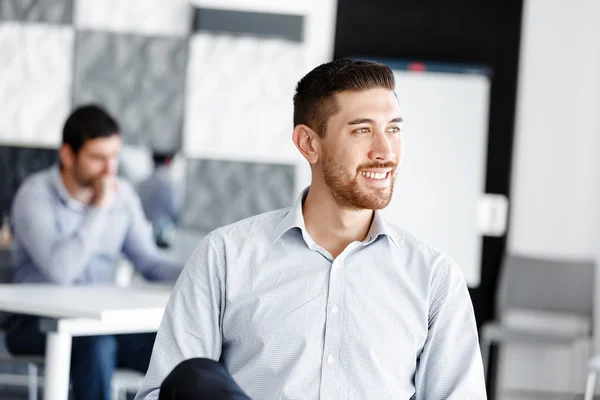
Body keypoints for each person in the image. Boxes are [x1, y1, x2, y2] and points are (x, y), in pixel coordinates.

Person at [136, 58, 486, 400]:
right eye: (362, 130)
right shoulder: (225, 256)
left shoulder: (435, 279)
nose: (385, 151)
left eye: (393, 129)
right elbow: (165, 391)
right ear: (308, 143)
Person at [6, 104, 183, 400]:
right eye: (98, 158)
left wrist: (206, 268)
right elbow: (61, 271)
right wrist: (99, 207)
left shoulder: (123, 195)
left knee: (179, 346)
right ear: (67, 155)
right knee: (97, 344)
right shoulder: (34, 194)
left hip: (101, 322)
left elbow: (150, 262)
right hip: (35, 324)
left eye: (114, 157)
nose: (109, 169)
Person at [137, 151, 183, 248]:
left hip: (143, 232)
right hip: (162, 235)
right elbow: (175, 212)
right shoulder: (170, 184)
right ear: (170, 160)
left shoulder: (142, 182)